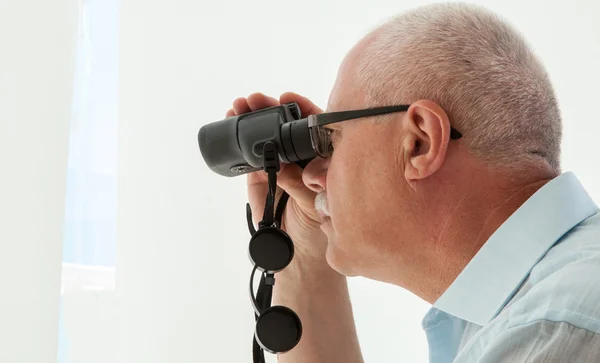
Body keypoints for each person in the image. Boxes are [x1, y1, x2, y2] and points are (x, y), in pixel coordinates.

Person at [225, 2, 600, 362]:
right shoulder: (527, 306)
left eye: (332, 139)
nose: (311, 174)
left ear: (419, 143)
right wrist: (302, 250)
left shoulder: (555, 329)